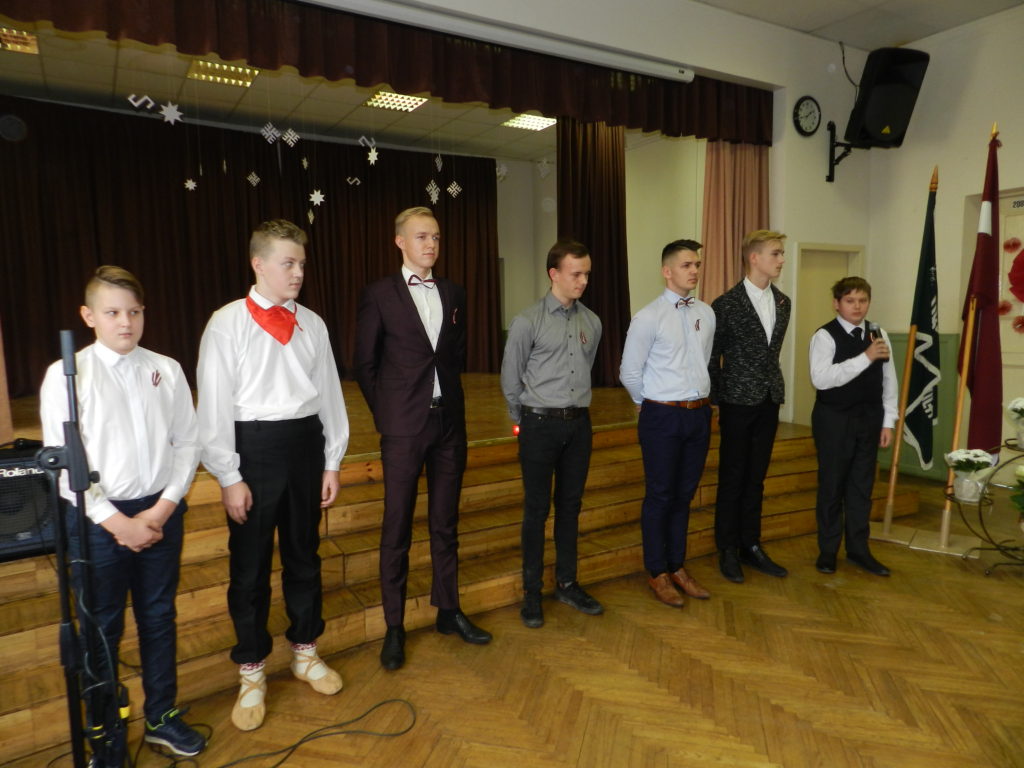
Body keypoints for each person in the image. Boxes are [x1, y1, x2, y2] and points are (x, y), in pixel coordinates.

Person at [39, 266, 205, 764]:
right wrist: (118, 522)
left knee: (158, 617)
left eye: (134, 312)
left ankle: (161, 716)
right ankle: (105, 732)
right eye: (112, 312)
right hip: (97, 520)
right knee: (101, 628)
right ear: (89, 316)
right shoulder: (67, 375)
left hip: (160, 511)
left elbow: (187, 443)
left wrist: (163, 507)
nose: (126, 322)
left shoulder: (166, 369)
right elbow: (66, 466)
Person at [197, 219, 349, 731]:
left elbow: (330, 395)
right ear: (258, 264)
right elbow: (214, 404)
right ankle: (252, 669)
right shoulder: (226, 323)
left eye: (302, 263)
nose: (298, 272)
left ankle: (305, 650)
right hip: (253, 450)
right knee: (250, 566)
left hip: (305, 445)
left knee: (305, 555)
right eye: (288, 263)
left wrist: (331, 460)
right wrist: (228, 475)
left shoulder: (314, 324)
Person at [355, 206, 491, 672]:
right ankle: (394, 626)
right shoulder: (379, 294)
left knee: (445, 523)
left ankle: (448, 610)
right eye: (421, 237)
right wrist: (388, 415)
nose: (430, 244)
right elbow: (364, 363)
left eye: (435, 237)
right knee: (396, 527)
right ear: (400, 242)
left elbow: (455, 354)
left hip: (449, 423)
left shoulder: (454, 292)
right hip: (403, 429)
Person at [501, 238, 604, 629]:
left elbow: (587, 367)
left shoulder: (591, 321)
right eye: (576, 274)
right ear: (554, 274)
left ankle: (567, 583)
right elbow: (510, 379)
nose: (583, 281)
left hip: (579, 425)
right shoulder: (527, 321)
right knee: (536, 509)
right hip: (539, 425)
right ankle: (532, 592)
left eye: (587, 274)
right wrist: (525, 420)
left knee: (570, 507)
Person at [620, 240, 715, 607]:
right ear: (667, 271)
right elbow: (629, 371)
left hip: (698, 414)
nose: (694, 271)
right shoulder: (648, 317)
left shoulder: (706, 313)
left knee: (684, 495)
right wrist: (646, 403)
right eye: (687, 264)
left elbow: (703, 361)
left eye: (697, 264)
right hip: (662, 415)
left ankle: (677, 565)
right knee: (660, 495)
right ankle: (657, 571)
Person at [709, 230, 791, 583]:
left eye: (782, 253)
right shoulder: (726, 304)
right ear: (754, 258)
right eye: (776, 253)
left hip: (769, 399)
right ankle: (727, 548)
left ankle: (750, 544)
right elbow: (712, 357)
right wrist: (717, 399)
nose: (782, 259)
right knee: (732, 477)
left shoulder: (784, 302)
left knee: (756, 478)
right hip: (736, 402)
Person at [809, 277, 896, 576]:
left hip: (869, 419)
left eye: (862, 300)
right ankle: (828, 551)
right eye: (850, 301)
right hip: (834, 419)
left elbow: (889, 380)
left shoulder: (878, 333)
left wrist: (888, 422)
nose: (857, 307)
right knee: (832, 485)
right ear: (837, 304)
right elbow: (822, 379)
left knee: (862, 487)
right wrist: (864, 357)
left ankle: (859, 549)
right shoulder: (824, 336)